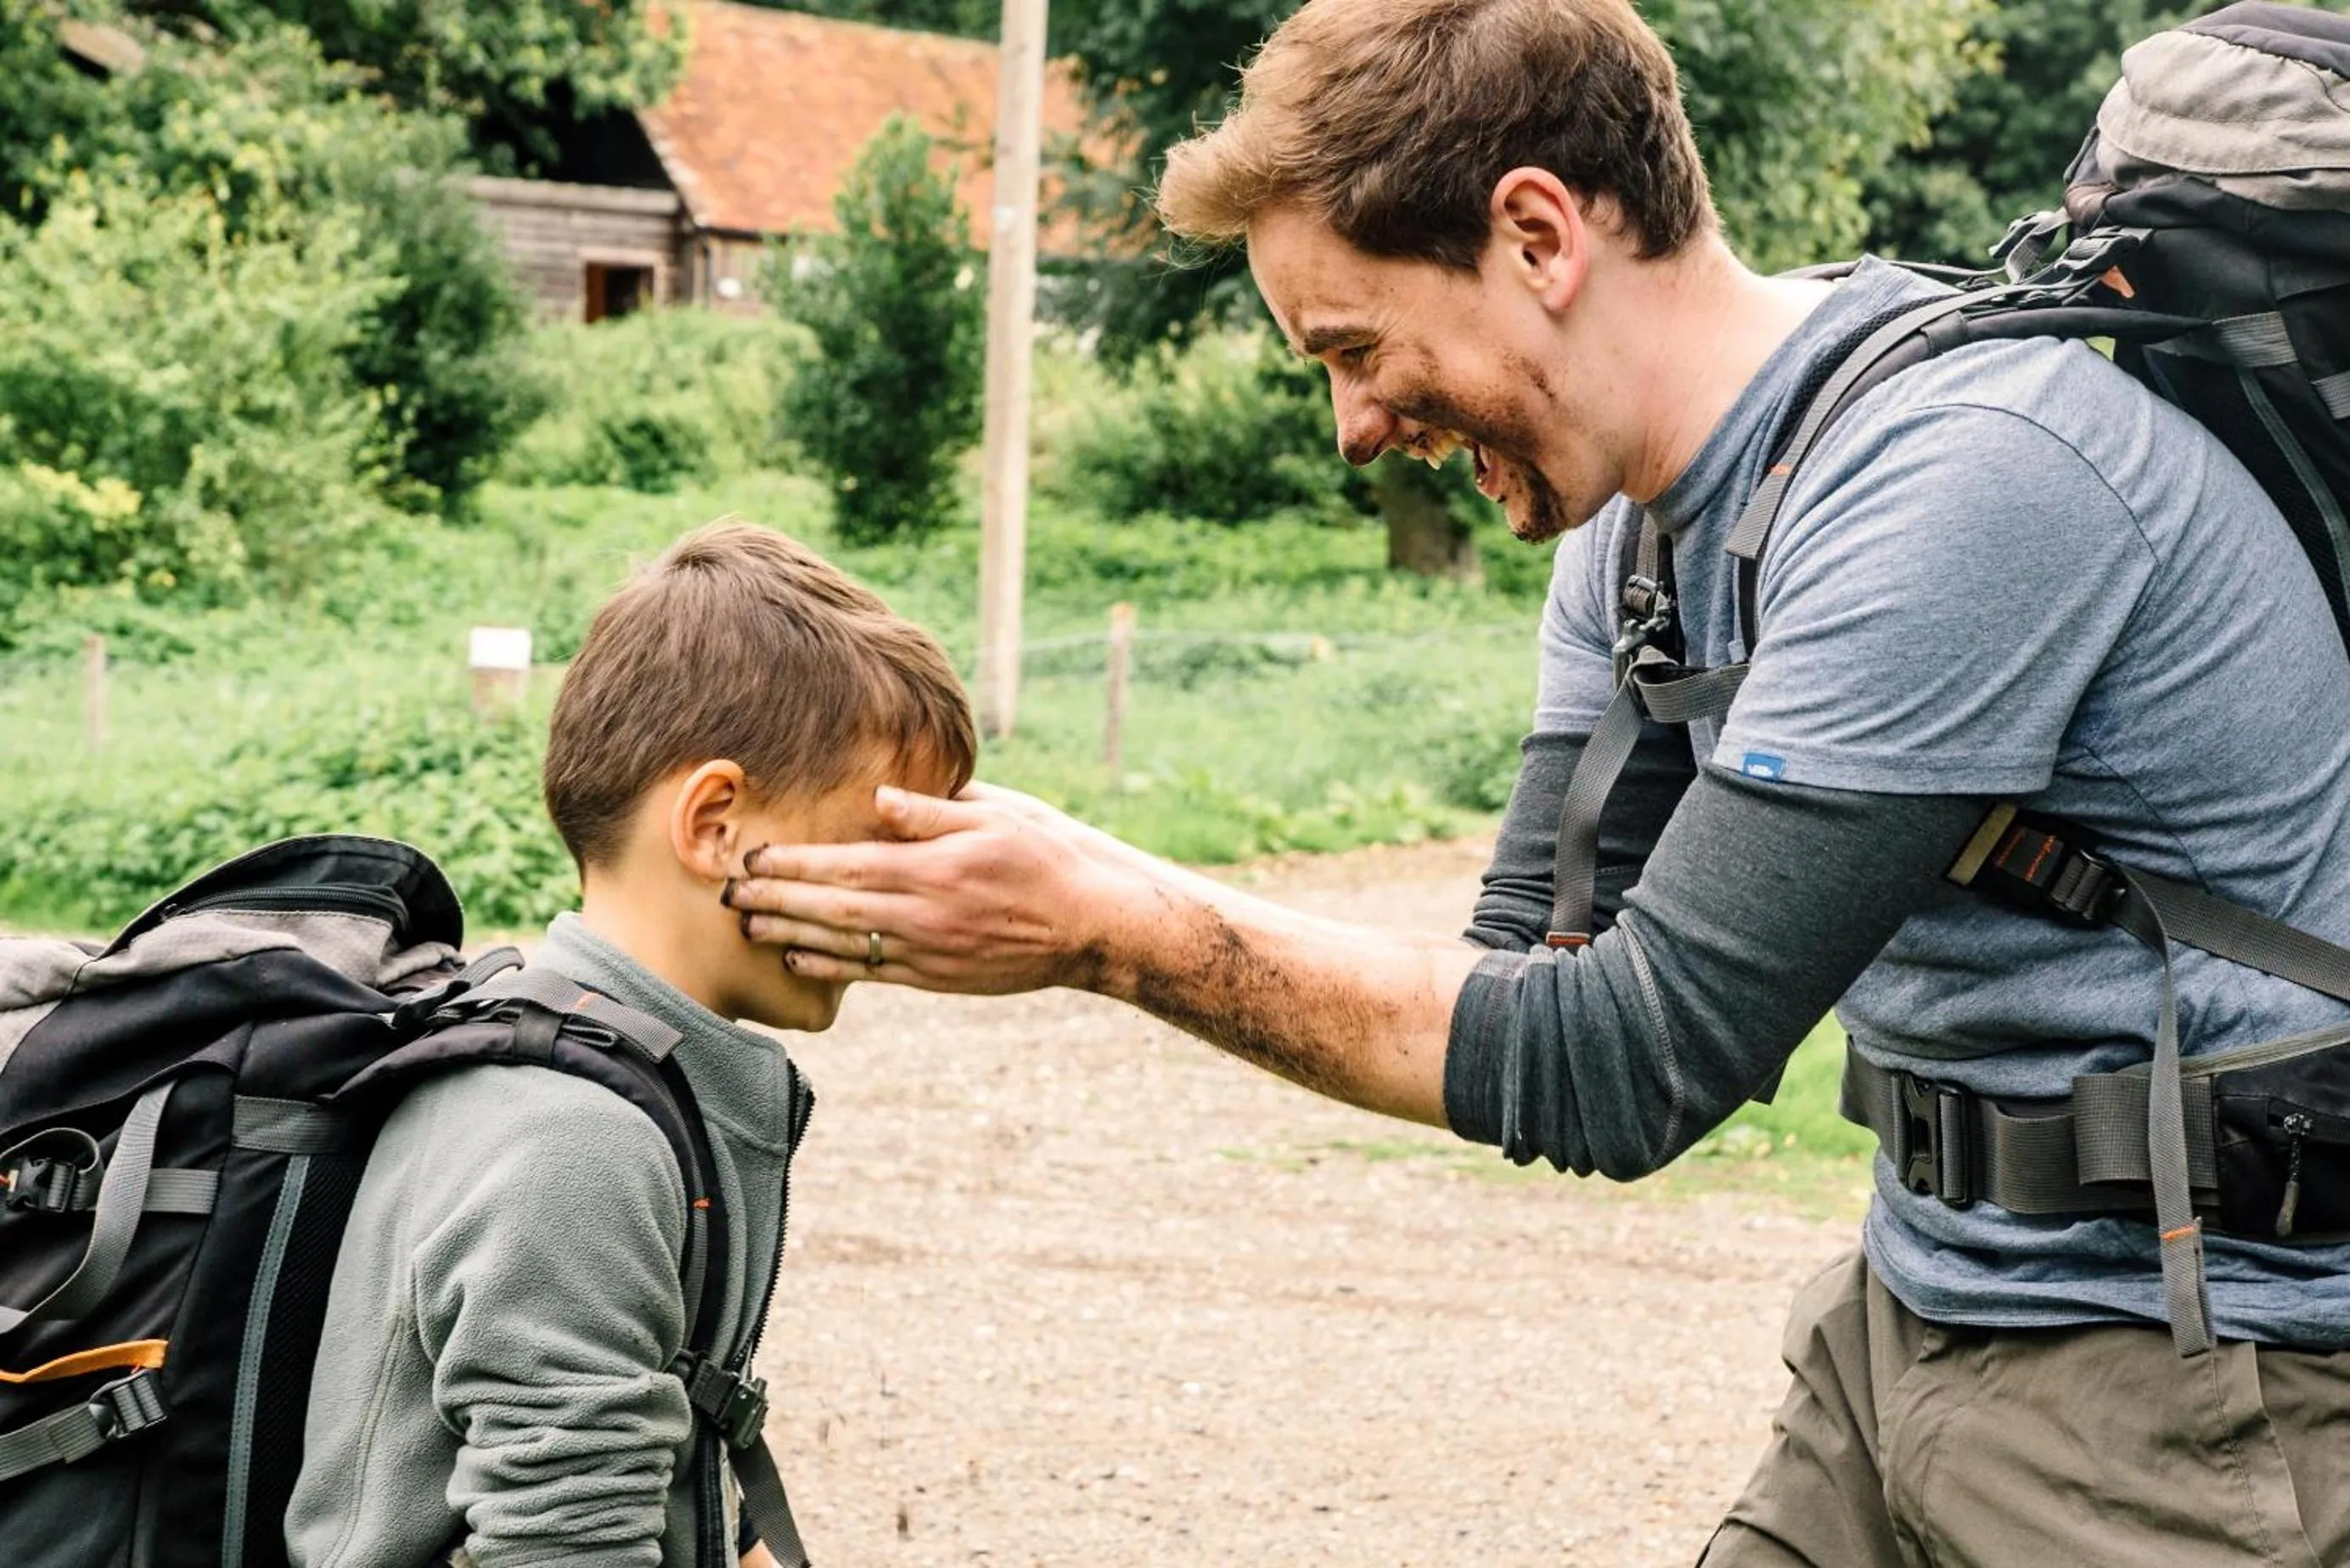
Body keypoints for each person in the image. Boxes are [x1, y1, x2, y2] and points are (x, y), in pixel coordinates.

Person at [719, 0, 2350, 1562]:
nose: (1351, 428)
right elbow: (1516, 976)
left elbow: (1625, 1063)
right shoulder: (1635, 533)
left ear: (1536, 235)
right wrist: (1090, 887)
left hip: (2198, 1377)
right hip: (1915, 1308)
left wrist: (1107, 925)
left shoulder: (1965, 481)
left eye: (1353, 346)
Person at [284, 522, 975, 1568]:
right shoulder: (574, 1139)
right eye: (875, 848)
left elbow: (663, 1453)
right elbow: (565, 1545)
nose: (906, 894)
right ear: (713, 824)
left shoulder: (611, 1070)